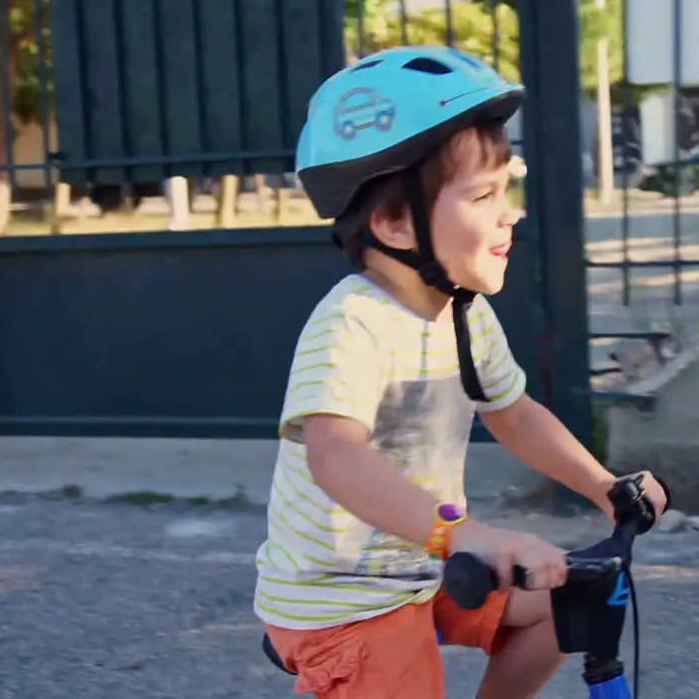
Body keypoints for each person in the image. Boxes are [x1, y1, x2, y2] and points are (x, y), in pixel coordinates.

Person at [253, 45, 669, 699]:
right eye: (483, 195)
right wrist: (463, 533)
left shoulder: (462, 315)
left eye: (509, 188)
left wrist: (604, 486)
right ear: (394, 222)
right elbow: (335, 457)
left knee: (566, 605)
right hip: (341, 602)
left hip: (424, 571)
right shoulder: (352, 325)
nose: (511, 213)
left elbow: (514, 414)